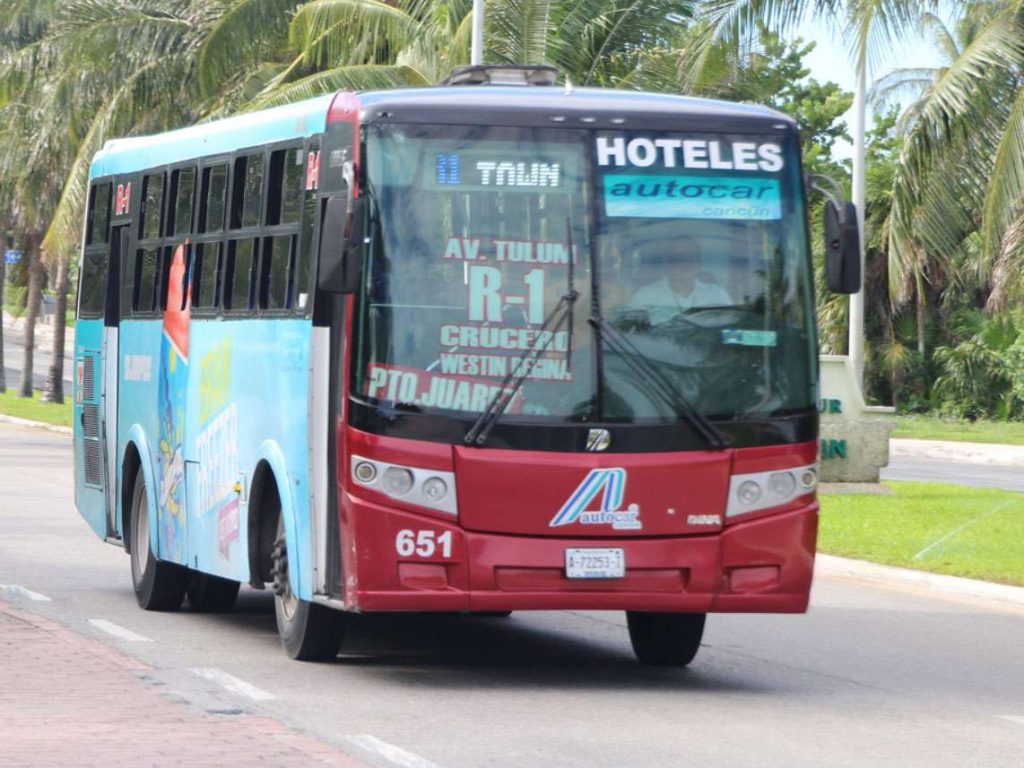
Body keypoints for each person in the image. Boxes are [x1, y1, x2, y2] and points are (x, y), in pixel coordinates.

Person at [626, 236, 731, 325]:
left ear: (698, 264)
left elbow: (730, 332)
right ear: (667, 263)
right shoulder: (645, 295)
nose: (680, 264)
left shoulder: (717, 295)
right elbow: (632, 331)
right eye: (675, 258)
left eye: (688, 258)